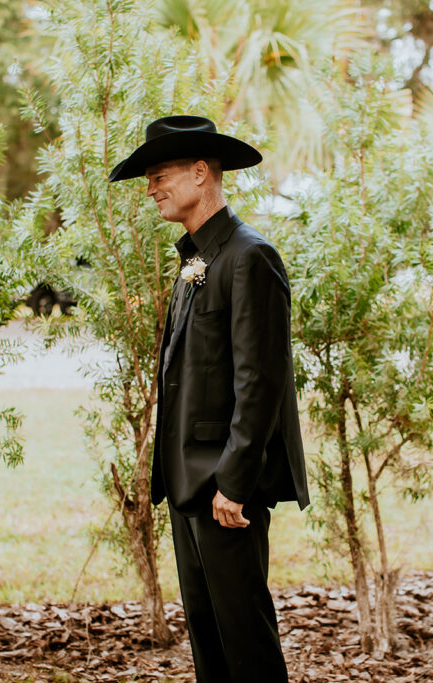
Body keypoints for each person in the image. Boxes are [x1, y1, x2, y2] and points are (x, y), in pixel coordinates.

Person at [109, 115, 310, 683]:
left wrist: (235, 481)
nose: (150, 190)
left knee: (246, 642)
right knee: (209, 640)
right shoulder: (196, 261)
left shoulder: (250, 257)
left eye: (158, 175)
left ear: (201, 173)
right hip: (187, 484)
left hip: (226, 488)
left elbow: (261, 382)